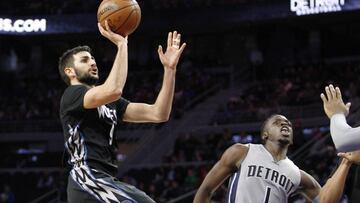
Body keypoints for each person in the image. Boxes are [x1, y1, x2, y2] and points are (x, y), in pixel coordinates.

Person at [58, 20, 186, 203]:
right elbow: (114, 89)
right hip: (86, 177)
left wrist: (170, 69)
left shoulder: (112, 103)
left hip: (105, 179)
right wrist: (122, 44)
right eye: (85, 60)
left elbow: (159, 113)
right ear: (70, 71)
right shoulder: (73, 95)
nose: (93, 63)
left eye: (93, 59)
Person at [193, 114, 360, 203]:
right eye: (277, 122)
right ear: (265, 134)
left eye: (287, 123)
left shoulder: (296, 174)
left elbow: (326, 200)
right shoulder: (242, 152)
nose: (284, 124)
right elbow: (206, 189)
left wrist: (345, 163)